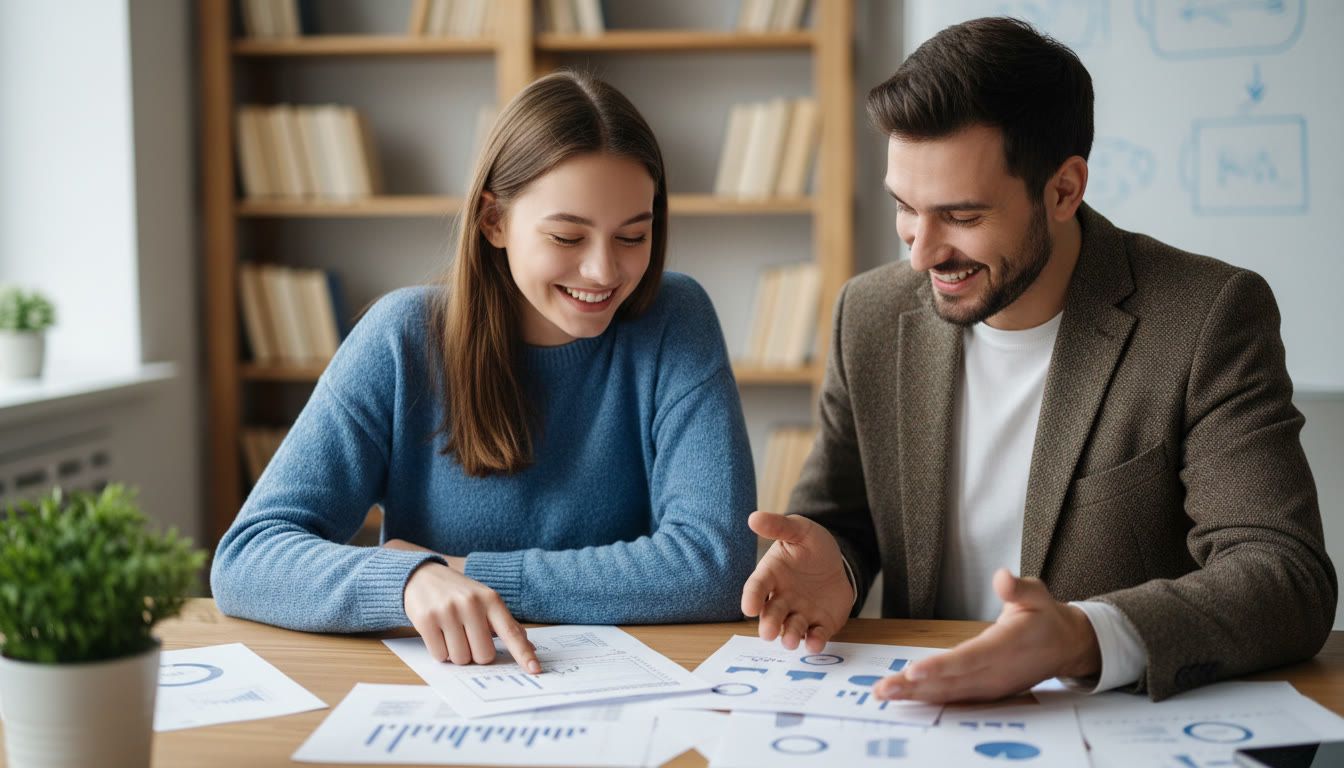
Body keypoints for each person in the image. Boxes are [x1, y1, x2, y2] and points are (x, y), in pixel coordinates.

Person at [741, 17, 1336, 703]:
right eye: (905, 207)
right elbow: (840, 518)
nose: (920, 253)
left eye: (961, 218)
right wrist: (836, 566)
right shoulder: (870, 314)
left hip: (1116, 725)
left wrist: (1086, 636)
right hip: (928, 720)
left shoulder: (1208, 318)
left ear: (1063, 189)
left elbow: (1285, 573)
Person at [212, 71, 756, 673]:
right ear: (493, 221)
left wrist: (469, 573)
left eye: (633, 235)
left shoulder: (675, 319)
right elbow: (247, 559)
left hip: (630, 686)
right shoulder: (402, 338)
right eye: (567, 236)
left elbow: (714, 566)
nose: (604, 270)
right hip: (452, 684)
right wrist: (410, 582)